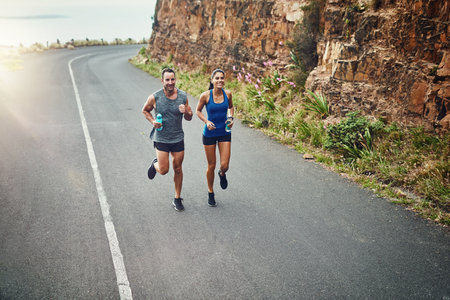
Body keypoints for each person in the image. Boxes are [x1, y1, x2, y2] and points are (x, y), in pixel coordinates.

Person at [142, 68, 193, 211]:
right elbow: (145, 110)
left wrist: (187, 112)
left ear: (175, 79)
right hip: (162, 138)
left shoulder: (183, 96)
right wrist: (153, 121)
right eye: (167, 80)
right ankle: (155, 165)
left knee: (178, 168)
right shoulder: (155, 97)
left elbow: (189, 117)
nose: (170, 83)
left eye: (172, 79)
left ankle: (177, 198)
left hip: (177, 138)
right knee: (164, 170)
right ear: (162, 81)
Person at [196, 69, 234, 207]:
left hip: (225, 131)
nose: (220, 80)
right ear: (212, 80)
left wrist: (230, 117)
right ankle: (211, 192)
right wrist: (206, 122)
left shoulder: (228, 94)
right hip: (210, 133)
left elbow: (231, 107)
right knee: (211, 165)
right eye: (217, 78)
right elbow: (198, 111)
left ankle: (222, 174)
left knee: (225, 165)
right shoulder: (205, 96)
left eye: (222, 78)